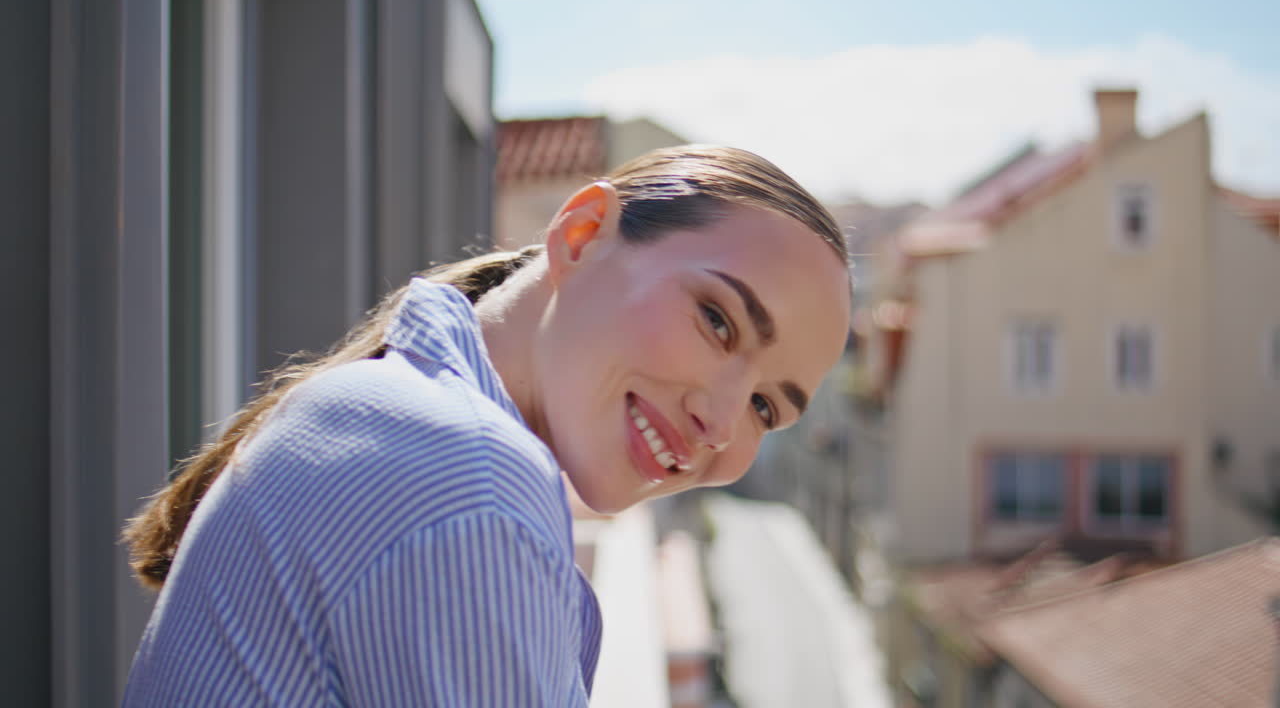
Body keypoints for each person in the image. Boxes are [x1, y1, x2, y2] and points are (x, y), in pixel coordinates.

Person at [121, 145, 852, 706]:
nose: (723, 422)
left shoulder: (392, 409)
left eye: (767, 408)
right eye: (717, 320)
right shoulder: (468, 478)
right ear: (584, 231)